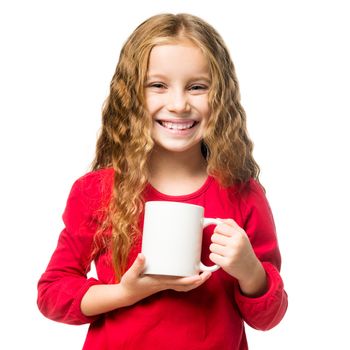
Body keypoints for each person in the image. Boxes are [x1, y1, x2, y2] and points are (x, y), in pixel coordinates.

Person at [37, 13, 288, 349]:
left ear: (221, 97)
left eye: (197, 87)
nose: (179, 104)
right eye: (158, 85)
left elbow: (267, 317)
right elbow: (52, 294)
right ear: (131, 96)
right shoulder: (96, 191)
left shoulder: (243, 193)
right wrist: (125, 293)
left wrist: (251, 271)